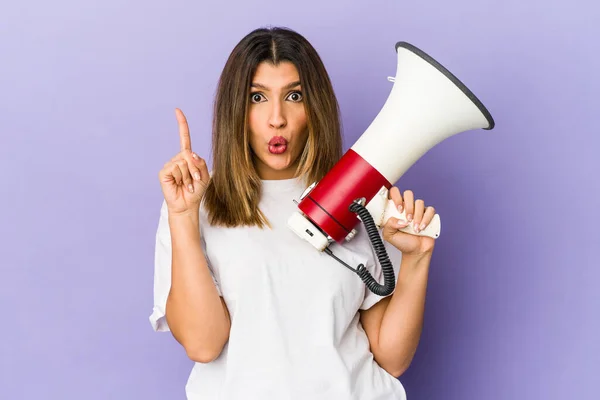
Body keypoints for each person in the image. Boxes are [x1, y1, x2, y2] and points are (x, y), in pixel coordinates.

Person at [150, 26, 436, 400]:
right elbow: (203, 345)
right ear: (235, 108)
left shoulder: (356, 198)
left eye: (294, 95)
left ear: (314, 105)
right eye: (257, 97)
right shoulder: (195, 201)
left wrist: (417, 259)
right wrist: (184, 217)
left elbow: (392, 358)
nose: (276, 118)